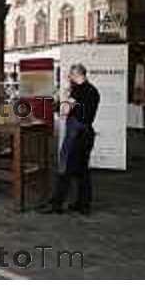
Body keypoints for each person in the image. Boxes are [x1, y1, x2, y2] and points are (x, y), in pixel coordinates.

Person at [38, 63, 100, 216]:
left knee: (65, 168)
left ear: (77, 74)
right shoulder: (93, 90)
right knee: (83, 170)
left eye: (70, 75)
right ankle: (83, 205)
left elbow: (65, 111)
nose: (68, 77)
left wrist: (65, 92)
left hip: (76, 135)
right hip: (87, 134)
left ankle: (56, 204)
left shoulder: (78, 90)